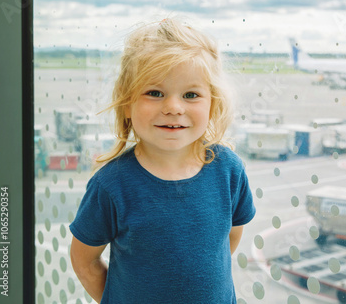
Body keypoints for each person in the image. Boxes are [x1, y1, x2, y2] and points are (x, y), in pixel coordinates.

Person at [69, 17, 256, 304]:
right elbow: (84, 261)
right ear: (127, 104)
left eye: (191, 94)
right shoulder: (111, 185)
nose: (173, 107)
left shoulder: (229, 170)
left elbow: (228, 240)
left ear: (212, 104)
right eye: (154, 93)